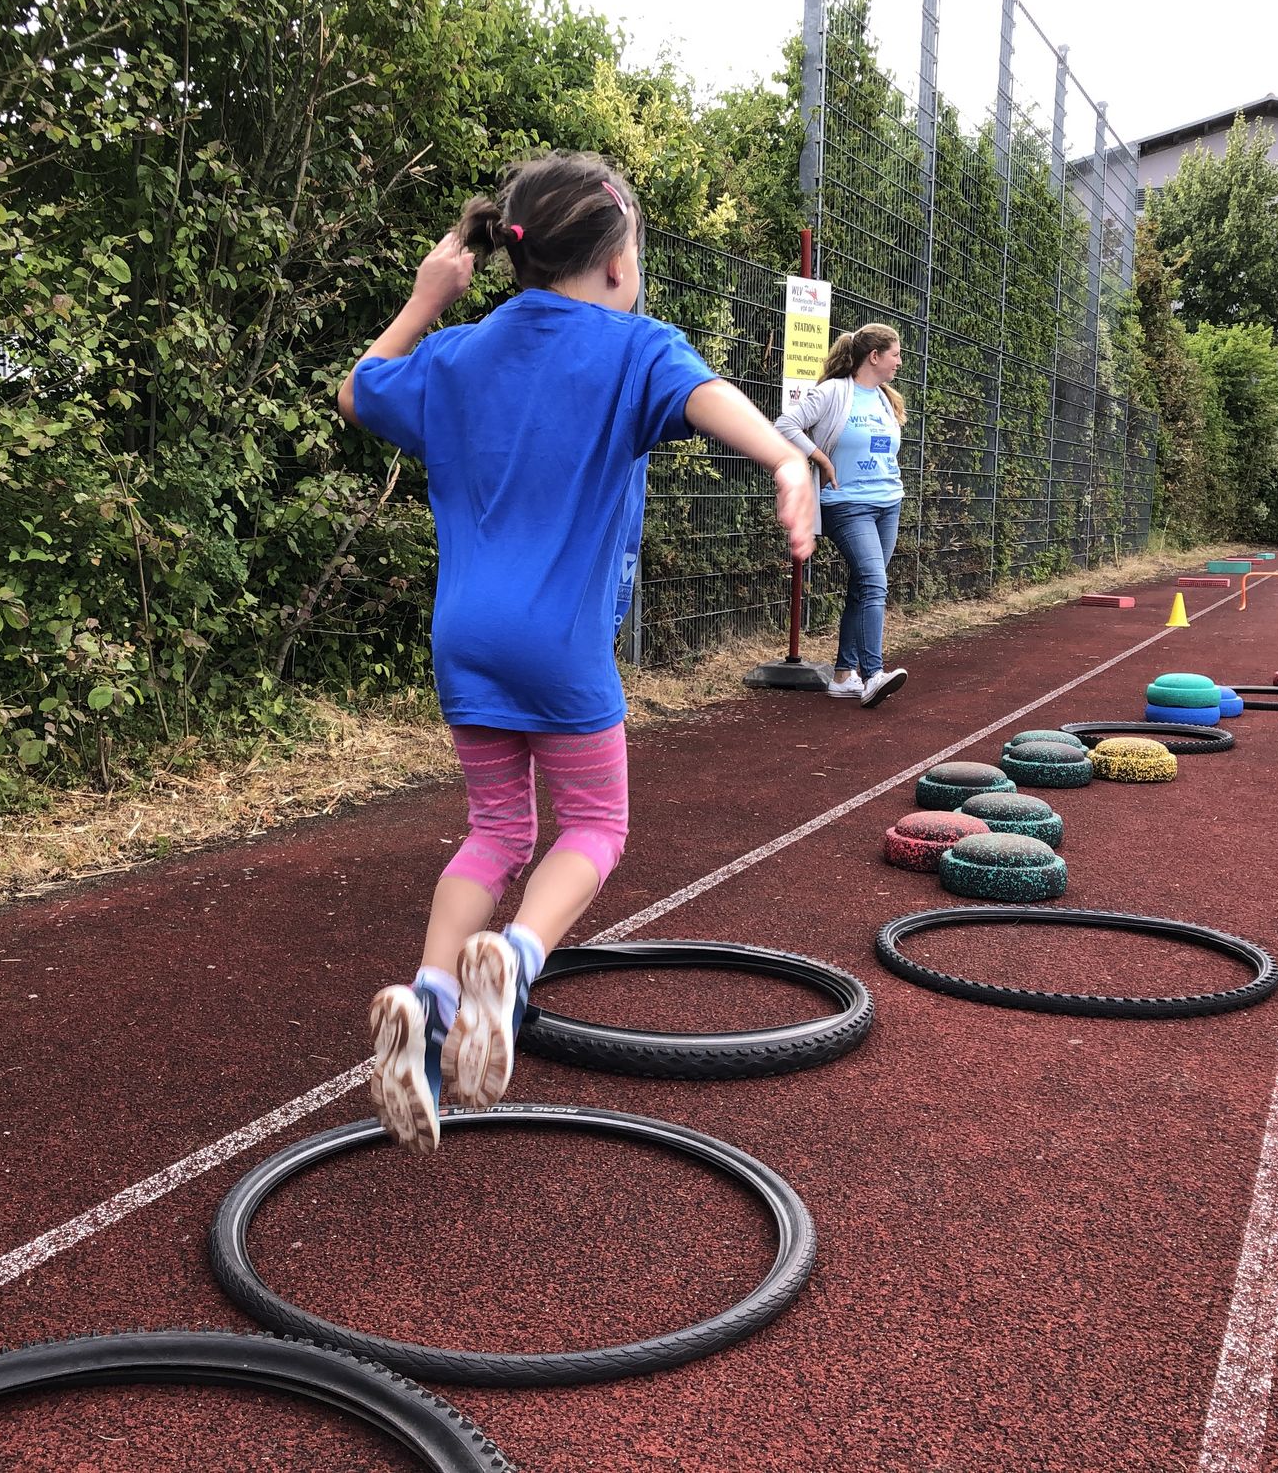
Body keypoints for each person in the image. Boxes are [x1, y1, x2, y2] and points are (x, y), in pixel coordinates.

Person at [337, 152, 816, 1153]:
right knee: (594, 825)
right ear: (615, 262)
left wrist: (425, 300)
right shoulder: (635, 347)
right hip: (559, 646)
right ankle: (513, 959)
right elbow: (709, 398)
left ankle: (429, 1000)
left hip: (464, 640)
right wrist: (781, 456)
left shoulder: (456, 354)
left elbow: (359, 390)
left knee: (496, 830)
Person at [772, 323, 910, 707]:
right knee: (875, 582)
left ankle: (843, 675)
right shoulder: (833, 391)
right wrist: (820, 458)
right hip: (846, 504)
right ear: (874, 357)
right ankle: (873, 674)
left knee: (864, 586)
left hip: (889, 502)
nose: (900, 361)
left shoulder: (885, 398)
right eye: (895, 354)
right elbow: (785, 425)